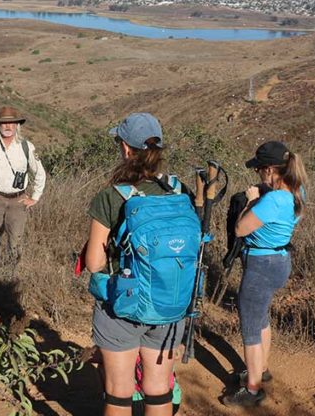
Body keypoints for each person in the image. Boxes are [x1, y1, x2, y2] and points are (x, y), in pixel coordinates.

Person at [83, 113, 189, 416]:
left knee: (119, 393)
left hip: (122, 307)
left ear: (127, 150)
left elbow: (94, 263)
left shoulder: (112, 197)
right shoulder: (179, 191)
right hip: (170, 304)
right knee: (158, 390)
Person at [222, 141, 306, 407]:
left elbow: (241, 229)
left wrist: (250, 202)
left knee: (250, 327)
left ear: (270, 169)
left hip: (261, 264)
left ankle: (253, 388)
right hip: (280, 260)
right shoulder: (296, 190)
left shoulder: (272, 200)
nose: (257, 174)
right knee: (261, 318)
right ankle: (261, 368)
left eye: (259, 169)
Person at [0, 106, 47, 270]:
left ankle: (11, 275)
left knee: (15, 242)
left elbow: (40, 173)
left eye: (11, 123)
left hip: (18, 200)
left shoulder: (27, 147)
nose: (8, 127)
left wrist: (35, 197)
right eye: (4, 124)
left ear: (17, 126)